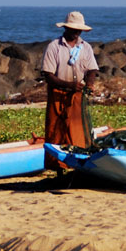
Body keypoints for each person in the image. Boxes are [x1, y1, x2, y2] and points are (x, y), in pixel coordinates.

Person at [40, 11, 99, 155]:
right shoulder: (54, 47)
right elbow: (48, 76)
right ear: (66, 28)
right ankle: (57, 167)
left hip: (77, 95)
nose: (76, 33)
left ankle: (77, 163)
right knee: (56, 132)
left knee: (77, 132)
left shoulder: (86, 47)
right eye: (73, 29)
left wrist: (90, 84)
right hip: (57, 95)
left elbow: (92, 70)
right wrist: (69, 85)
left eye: (79, 30)